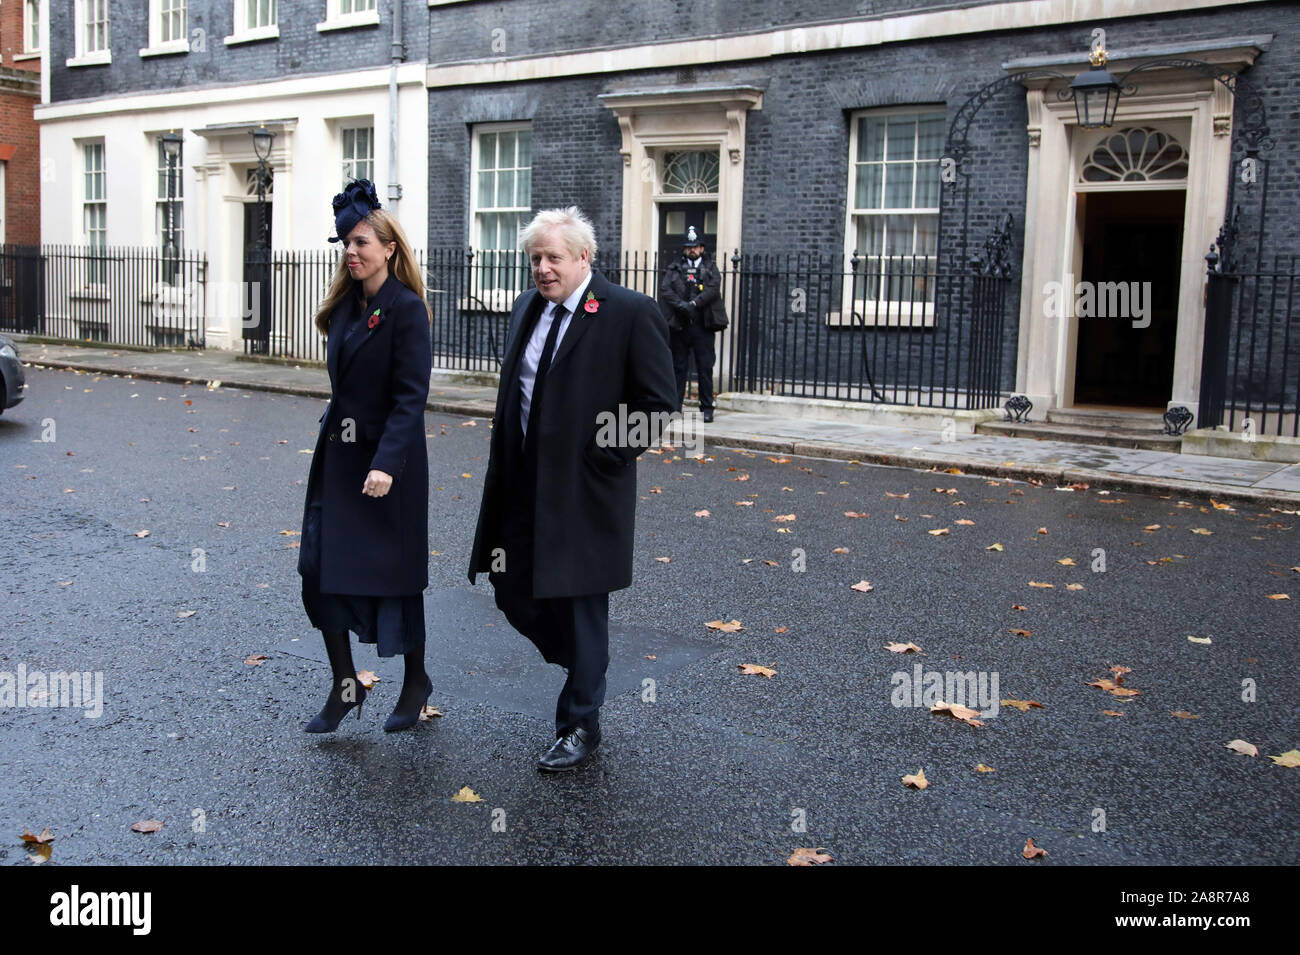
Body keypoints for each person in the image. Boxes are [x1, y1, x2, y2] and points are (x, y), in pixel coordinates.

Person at [468, 207, 676, 771]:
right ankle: (587, 664)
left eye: (553, 257)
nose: (541, 268)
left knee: (583, 603)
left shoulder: (629, 312)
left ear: (583, 258)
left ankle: (580, 720)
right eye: (535, 258)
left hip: (585, 489)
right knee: (510, 586)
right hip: (521, 484)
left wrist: (603, 453)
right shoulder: (525, 309)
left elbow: (660, 403)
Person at [297, 179, 433, 734]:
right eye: (345, 244)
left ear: (388, 248)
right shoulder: (346, 306)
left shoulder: (407, 310)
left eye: (361, 243)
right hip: (339, 460)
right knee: (319, 570)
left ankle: (417, 679)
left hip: (387, 466)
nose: (351, 252)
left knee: (397, 576)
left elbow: (410, 397)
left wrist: (385, 464)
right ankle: (345, 684)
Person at [659, 226, 727, 422]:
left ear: (702, 248)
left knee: (705, 367)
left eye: (695, 246)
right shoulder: (674, 267)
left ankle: (707, 407)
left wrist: (695, 303)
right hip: (680, 325)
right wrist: (681, 305)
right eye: (689, 247)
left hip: (702, 326)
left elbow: (713, 289)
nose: (692, 250)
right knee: (678, 367)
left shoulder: (711, 267)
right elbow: (666, 289)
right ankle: (674, 407)